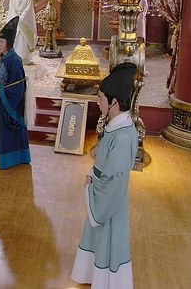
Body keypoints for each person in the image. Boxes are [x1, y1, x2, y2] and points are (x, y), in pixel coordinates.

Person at [71, 62, 138, 288]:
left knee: (108, 237)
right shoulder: (116, 127)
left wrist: (91, 185)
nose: (98, 102)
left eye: (100, 98)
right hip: (102, 191)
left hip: (109, 201)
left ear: (114, 102)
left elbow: (114, 181)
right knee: (97, 238)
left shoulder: (123, 137)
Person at [0, 16, 30, 170]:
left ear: (9, 43)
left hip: (11, 103)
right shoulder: (2, 58)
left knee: (8, 129)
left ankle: (13, 157)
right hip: (2, 101)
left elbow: (19, 86)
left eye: (1, 42)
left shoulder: (15, 60)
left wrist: (1, 91)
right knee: (1, 127)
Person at [6, 0, 37, 64]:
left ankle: (23, 57)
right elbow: (11, 7)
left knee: (22, 38)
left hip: (24, 20)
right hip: (15, 17)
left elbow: (28, 9)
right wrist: (15, 17)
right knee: (15, 38)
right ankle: (14, 58)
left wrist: (22, 17)